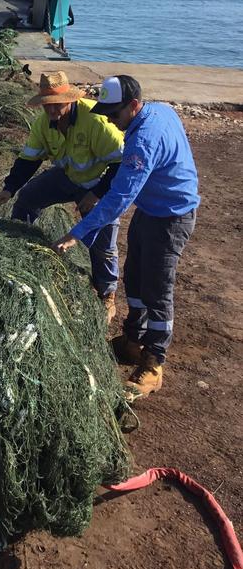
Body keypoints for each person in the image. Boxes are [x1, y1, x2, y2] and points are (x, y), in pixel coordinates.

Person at [53, 75, 200, 400]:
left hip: (173, 215)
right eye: (104, 113)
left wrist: (77, 233)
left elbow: (119, 198)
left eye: (114, 114)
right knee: (134, 276)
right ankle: (132, 340)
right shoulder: (160, 110)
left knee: (157, 286)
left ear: (134, 106)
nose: (109, 120)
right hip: (151, 208)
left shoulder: (142, 143)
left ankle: (153, 363)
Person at [0, 71, 124, 320]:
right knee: (28, 198)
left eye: (57, 105)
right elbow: (28, 159)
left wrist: (96, 193)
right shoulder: (43, 124)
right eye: (47, 105)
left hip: (100, 182)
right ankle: (22, 248)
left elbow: (121, 163)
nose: (51, 110)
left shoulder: (96, 121)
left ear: (70, 100)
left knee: (102, 238)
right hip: (66, 176)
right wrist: (10, 188)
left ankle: (107, 293)